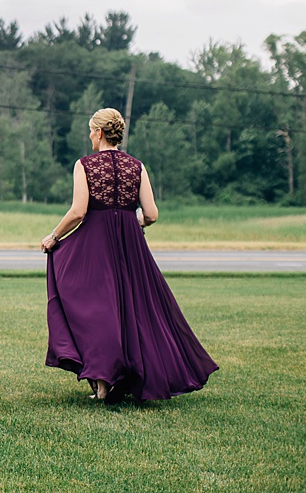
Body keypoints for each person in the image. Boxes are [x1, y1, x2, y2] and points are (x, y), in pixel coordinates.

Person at [41, 108, 218, 404]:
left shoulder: (84, 164)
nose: (89, 135)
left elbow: (79, 211)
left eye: (90, 130)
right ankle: (133, 374)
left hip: (95, 244)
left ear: (98, 133)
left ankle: (102, 382)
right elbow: (151, 214)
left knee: (96, 307)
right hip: (129, 245)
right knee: (135, 307)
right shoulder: (137, 166)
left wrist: (54, 236)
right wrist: (127, 220)